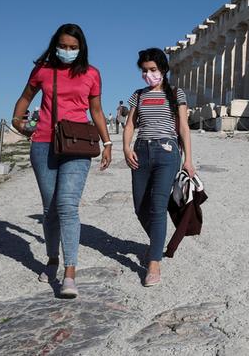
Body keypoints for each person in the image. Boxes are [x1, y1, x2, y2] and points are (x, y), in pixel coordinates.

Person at [11, 23, 112, 299]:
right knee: (50, 209)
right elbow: (25, 97)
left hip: (77, 145)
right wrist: (17, 121)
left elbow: (97, 110)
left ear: (81, 49)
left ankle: (70, 273)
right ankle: (52, 259)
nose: (67, 51)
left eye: (73, 47)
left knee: (67, 204)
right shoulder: (43, 70)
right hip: (43, 144)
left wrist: (108, 143)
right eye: (63, 46)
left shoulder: (92, 74)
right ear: (56, 45)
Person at [123, 47, 195, 287]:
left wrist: (188, 159)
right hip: (142, 150)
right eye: (144, 71)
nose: (148, 74)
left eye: (152, 69)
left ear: (163, 69)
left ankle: (154, 262)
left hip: (167, 152)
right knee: (139, 206)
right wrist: (126, 147)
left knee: (158, 205)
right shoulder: (138, 94)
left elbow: (183, 127)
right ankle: (156, 242)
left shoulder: (176, 93)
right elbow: (130, 125)